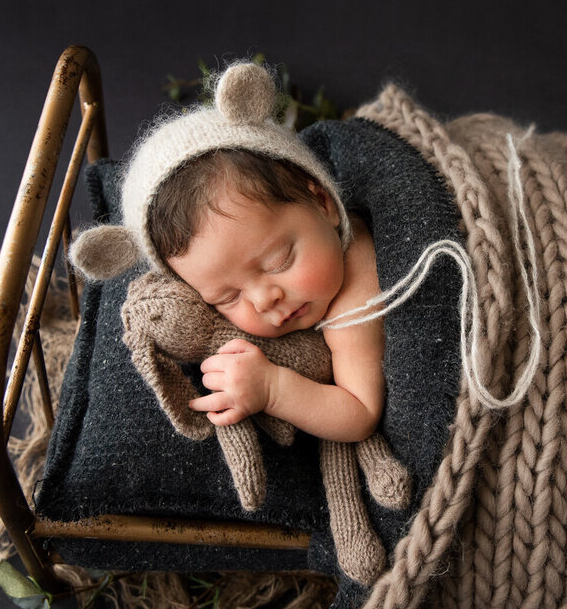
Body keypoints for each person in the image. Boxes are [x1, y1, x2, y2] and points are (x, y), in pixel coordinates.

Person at [115, 62, 384, 443]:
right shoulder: (303, 263)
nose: (263, 300)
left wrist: (273, 389)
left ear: (324, 203)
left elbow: (360, 414)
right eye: (227, 297)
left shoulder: (354, 301)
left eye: (278, 261)